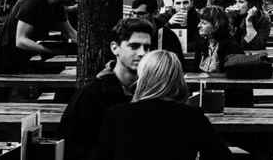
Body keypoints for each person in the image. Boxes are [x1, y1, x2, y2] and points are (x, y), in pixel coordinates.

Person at [92, 50, 233, 160]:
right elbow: (221, 155)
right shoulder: (192, 116)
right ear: (177, 78)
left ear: (143, 77)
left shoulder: (117, 115)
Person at [60, 18, 155, 160]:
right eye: (134, 46)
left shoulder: (153, 90)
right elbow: (73, 147)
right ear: (115, 48)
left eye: (147, 47)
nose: (142, 53)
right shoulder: (90, 96)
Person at [0, 0, 79, 102]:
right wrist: (48, 50)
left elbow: (71, 33)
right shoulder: (33, 2)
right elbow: (20, 40)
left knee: (12, 111)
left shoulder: (57, 6)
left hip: (17, 65)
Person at [130, 0, 186, 67]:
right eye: (133, 13)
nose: (135, 18)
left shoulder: (167, 37)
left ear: (155, 13)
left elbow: (175, 67)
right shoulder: (129, 35)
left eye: (141, 14)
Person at [193, 6, 243, 73]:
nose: (198, 25)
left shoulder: (231, 47)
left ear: (216, 26)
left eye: (204, 23)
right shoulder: (201, 45)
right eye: (200, 22)